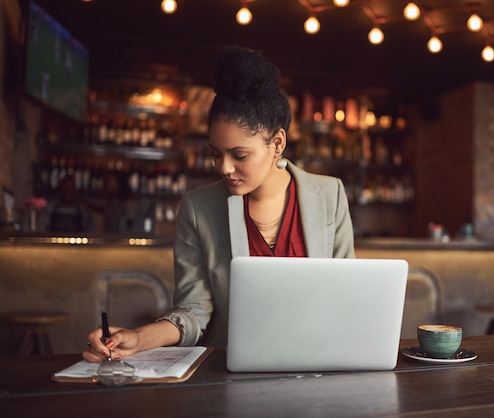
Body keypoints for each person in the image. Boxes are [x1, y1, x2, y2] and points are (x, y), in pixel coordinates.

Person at [83, 46, 355, 362]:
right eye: (216, 154)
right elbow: (193, 311)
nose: (223, 168)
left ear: (277, 143)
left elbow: (344, 297)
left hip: (319, 360)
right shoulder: (198, 208)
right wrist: (138, 338)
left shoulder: (329, 195)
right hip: (231, 368)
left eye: (239, 155)